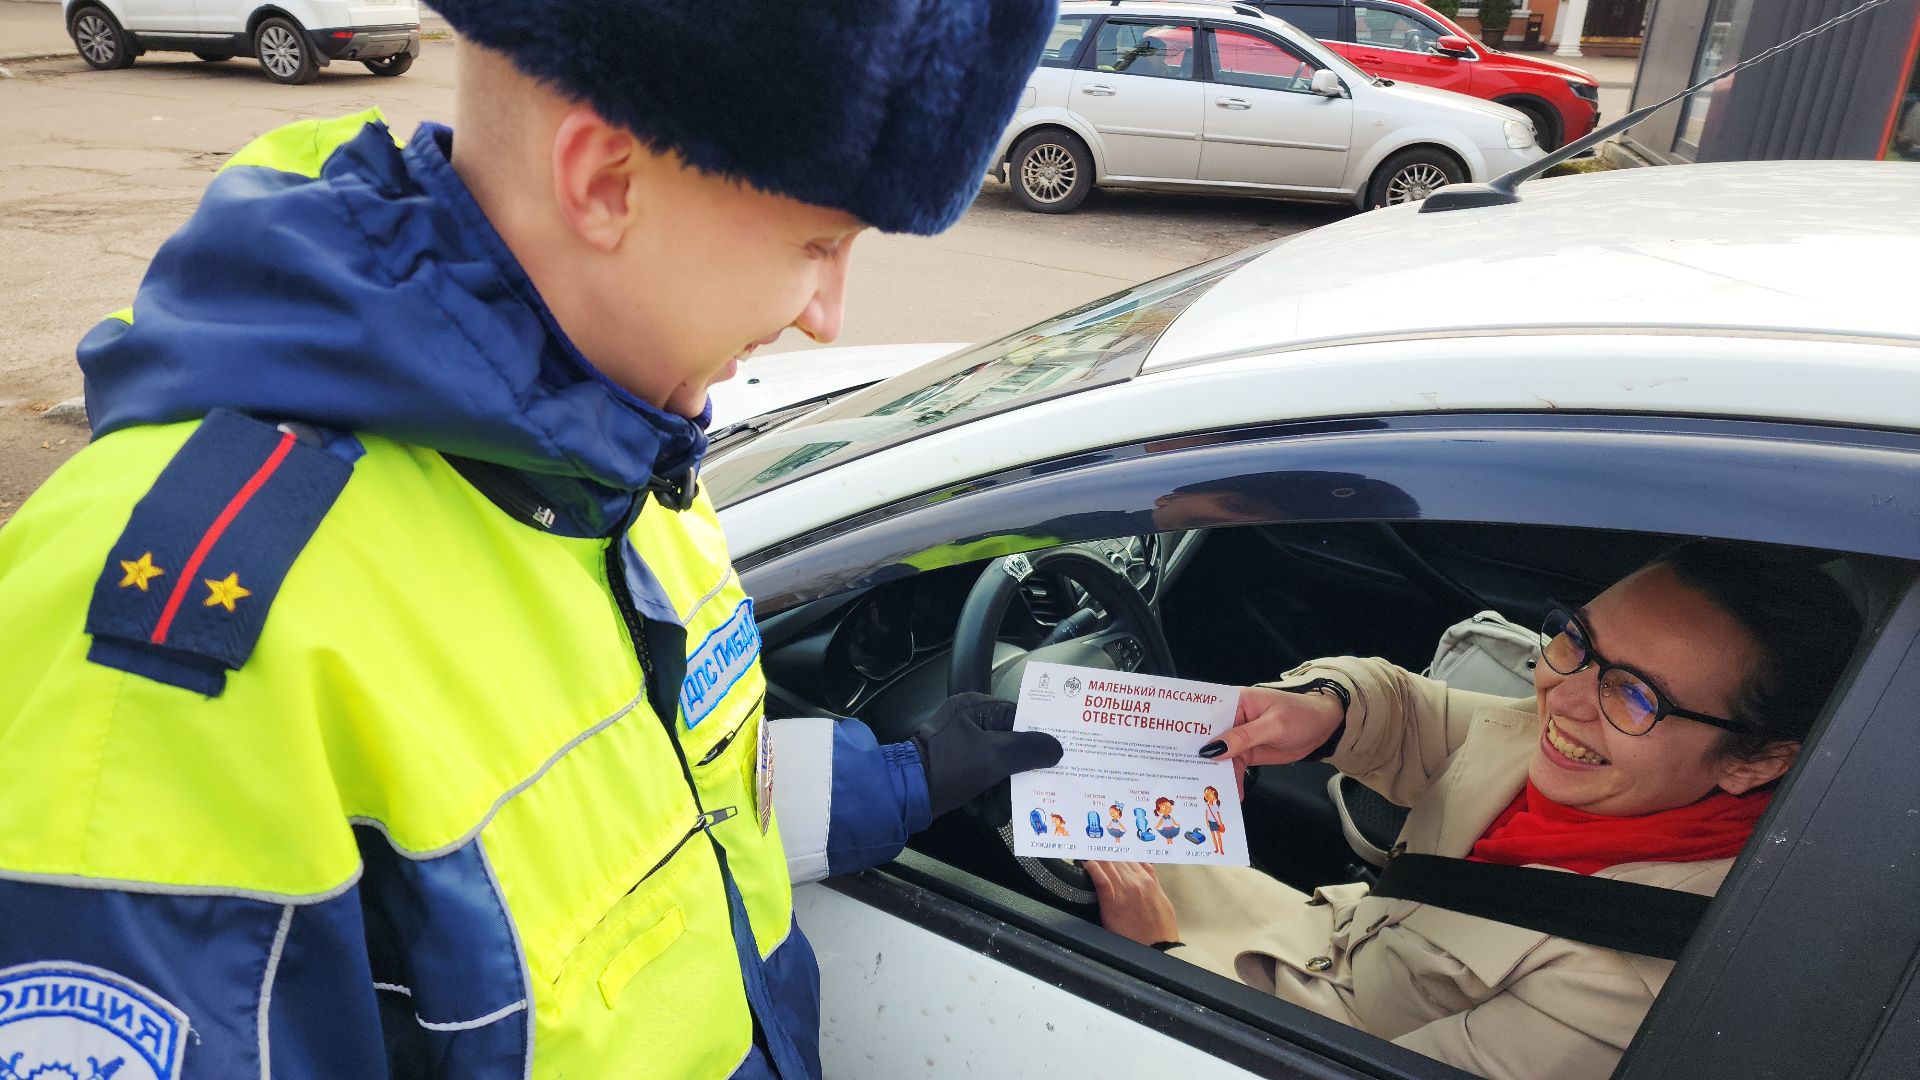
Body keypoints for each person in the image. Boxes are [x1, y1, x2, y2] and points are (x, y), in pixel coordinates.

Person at [0, 2, 1062, 1077]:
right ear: (605, 180)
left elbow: (662, 815)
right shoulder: (172, 645)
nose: (827, 314)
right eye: (820, 242)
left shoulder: (623, 458)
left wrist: (913, 776)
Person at [1087, 541, 1859, 1080]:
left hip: (1251, 1028)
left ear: (1757, 761)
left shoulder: (1628, 986)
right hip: (1312, 944)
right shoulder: (1606, 758)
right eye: (1576, 642)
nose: (1565, 697)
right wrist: (1323, 708)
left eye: (1636, 695)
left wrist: (1160, 968)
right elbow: (1417, 714)